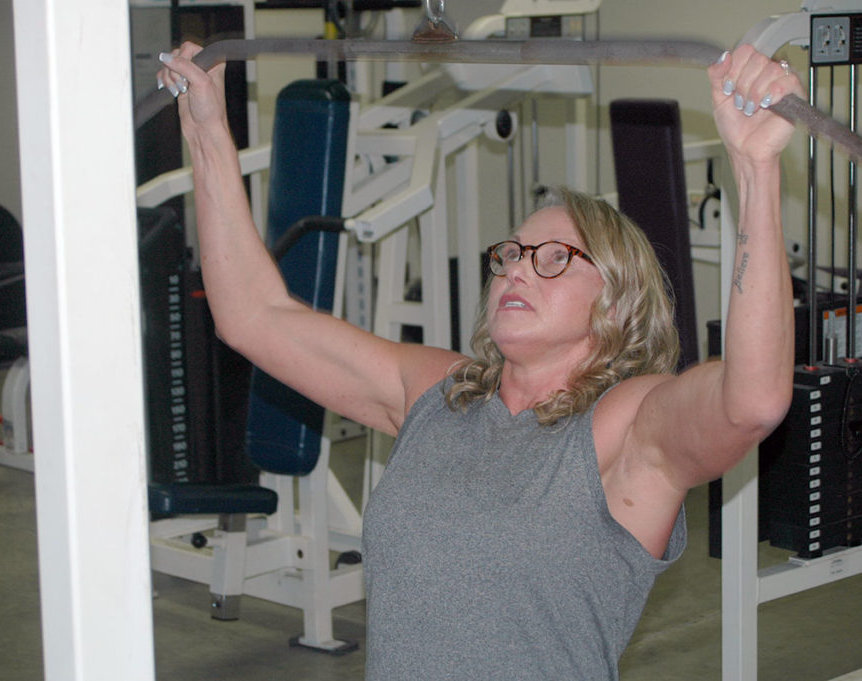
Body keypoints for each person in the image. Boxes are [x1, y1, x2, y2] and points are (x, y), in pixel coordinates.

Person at [158, 42, 800, 680]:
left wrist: (755, 169)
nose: (520, 268)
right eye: (512, 254)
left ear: (617, 299)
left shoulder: (627, 427)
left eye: (554, 258)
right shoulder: (439, 393)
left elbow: (752, 401)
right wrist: (209, 130)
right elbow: (255, 317)